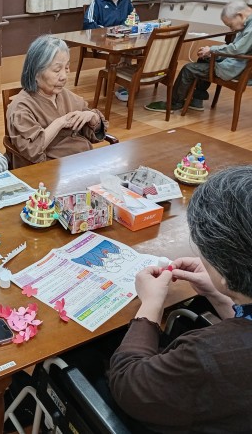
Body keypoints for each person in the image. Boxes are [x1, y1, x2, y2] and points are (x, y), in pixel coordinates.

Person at [108, 165, 252, 432]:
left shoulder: (207, 355)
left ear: (225, 268)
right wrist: (221, 294)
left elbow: (128, 384)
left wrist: (151, 305)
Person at [5, 35, 108, 169]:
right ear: (36, 72)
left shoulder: (66, 96)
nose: (64, 76)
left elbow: (93, 135)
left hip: (82, 164)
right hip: (50, 171)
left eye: (66, 68)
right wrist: (60, 122)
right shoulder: (21, 108)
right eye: (57, 70)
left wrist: (93, 118)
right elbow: (32, 151)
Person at [145, 0, 252, 114]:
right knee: (203, 58)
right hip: (238, 63)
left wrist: (211, 49)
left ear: (240, 15)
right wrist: (210, 52)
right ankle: (197, 100)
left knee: (188, 69)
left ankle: (174, 104)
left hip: (235, 69)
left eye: (230, 25)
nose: (232, 29)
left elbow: (236, 49)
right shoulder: (247, 24)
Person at [84, 0, 135, 102]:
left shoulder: (126, 1)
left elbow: (134, 19)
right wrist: (108, 31)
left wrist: (127, 28)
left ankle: (131, 82)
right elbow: (88, 24)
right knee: (120, 51)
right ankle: (122, 85)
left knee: (136, 50)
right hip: (102, 42)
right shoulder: (97, 2)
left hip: (123, 40)